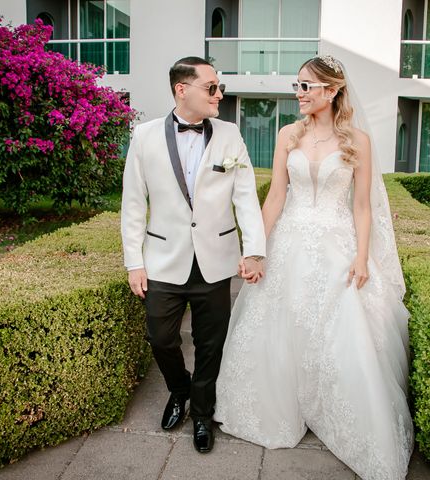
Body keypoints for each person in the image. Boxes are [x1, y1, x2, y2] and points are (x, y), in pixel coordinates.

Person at [214, 55, 414, 479]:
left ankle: (334, 413)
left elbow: (362, 207)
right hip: (289, 243)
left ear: (332, 89)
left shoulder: (357, 140)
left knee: (341, 330)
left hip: (337, 246)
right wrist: (256, 250)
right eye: (297, 85)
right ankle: (284, 406)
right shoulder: (288, 135)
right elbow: (275, 199)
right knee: (281, 326)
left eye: (307, 86)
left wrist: (361, 257)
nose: (299, 94)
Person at [120, 56, 266, 454]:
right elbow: (133, 204)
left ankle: (202, 413)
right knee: (160, 335)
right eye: (212, 87)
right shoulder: (144, 136)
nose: (220, 94)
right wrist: (134, 261)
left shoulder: (230, 134)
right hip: (163, 259)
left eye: (220, 87)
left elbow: (246, 198)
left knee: (210, 343)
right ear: (182, 90)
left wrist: (254, 251)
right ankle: (178, 389)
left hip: (215, 259)